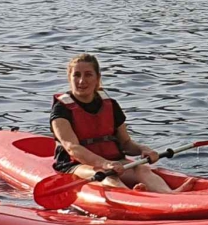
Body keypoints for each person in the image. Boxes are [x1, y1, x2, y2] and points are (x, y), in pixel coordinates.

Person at [49, 54, 178, 192]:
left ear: (97, 78)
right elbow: (72, 148)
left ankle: (170, 195)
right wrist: (105, 164)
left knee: (142, 169)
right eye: (76, 75)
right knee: (107, 176)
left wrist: (143, 149)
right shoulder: (61, 109)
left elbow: (126, 143)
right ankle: (133, 197)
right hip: (76, 165)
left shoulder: (110, 104)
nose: (81, 81)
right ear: (69, 77)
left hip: (113, 162)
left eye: (88, 75)